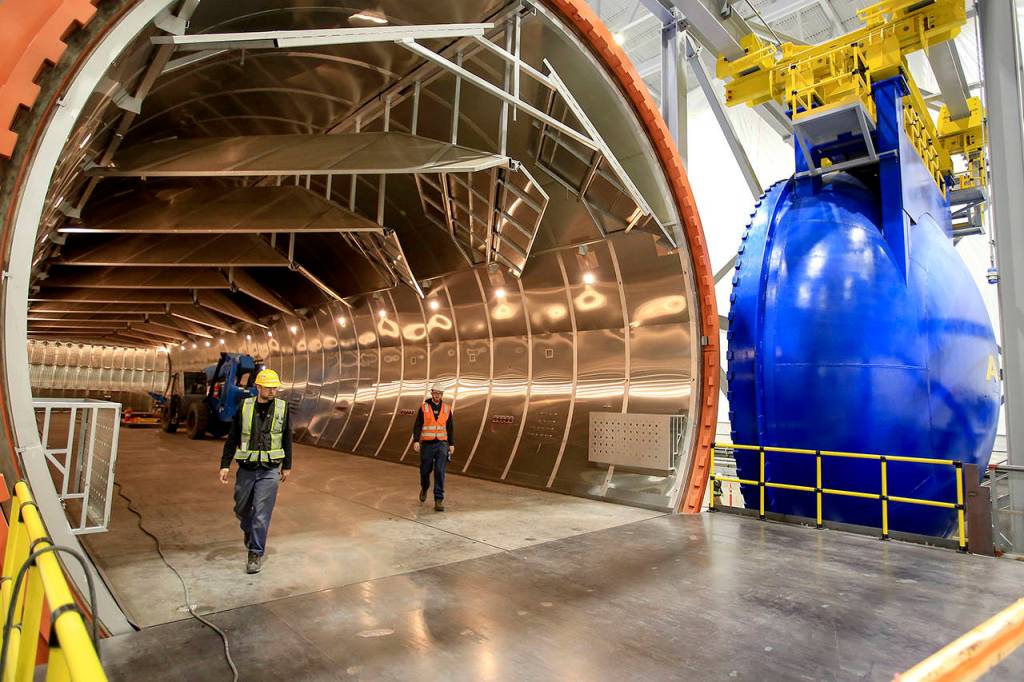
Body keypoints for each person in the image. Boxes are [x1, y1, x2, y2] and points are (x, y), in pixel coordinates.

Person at [219, 368, 292, 574]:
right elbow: (233, 437)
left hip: (269, 471)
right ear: (258, 387)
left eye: (275, 388)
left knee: (261, 514)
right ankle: (249, 532)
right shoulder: (245, 406)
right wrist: (225, 464)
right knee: (241, 509)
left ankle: (255, 553)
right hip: (247, 469)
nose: (273, 392)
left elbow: (287, 437)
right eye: (269, 388)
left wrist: (287, 465)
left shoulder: (282, 408)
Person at [412, 382, 454, 511]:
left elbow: (450, 427)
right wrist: (416, 440)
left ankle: (438, 499)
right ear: (432, 393)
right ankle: (424, 487)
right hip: (427, 445)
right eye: (435, 393)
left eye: (440, 394)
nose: (437, 396)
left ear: (442, 395)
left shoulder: (447, 408)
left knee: (440, 471)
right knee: (425, 471)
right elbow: (418, 425)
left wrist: (451, 444)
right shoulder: (424, 407)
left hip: (442, 444)